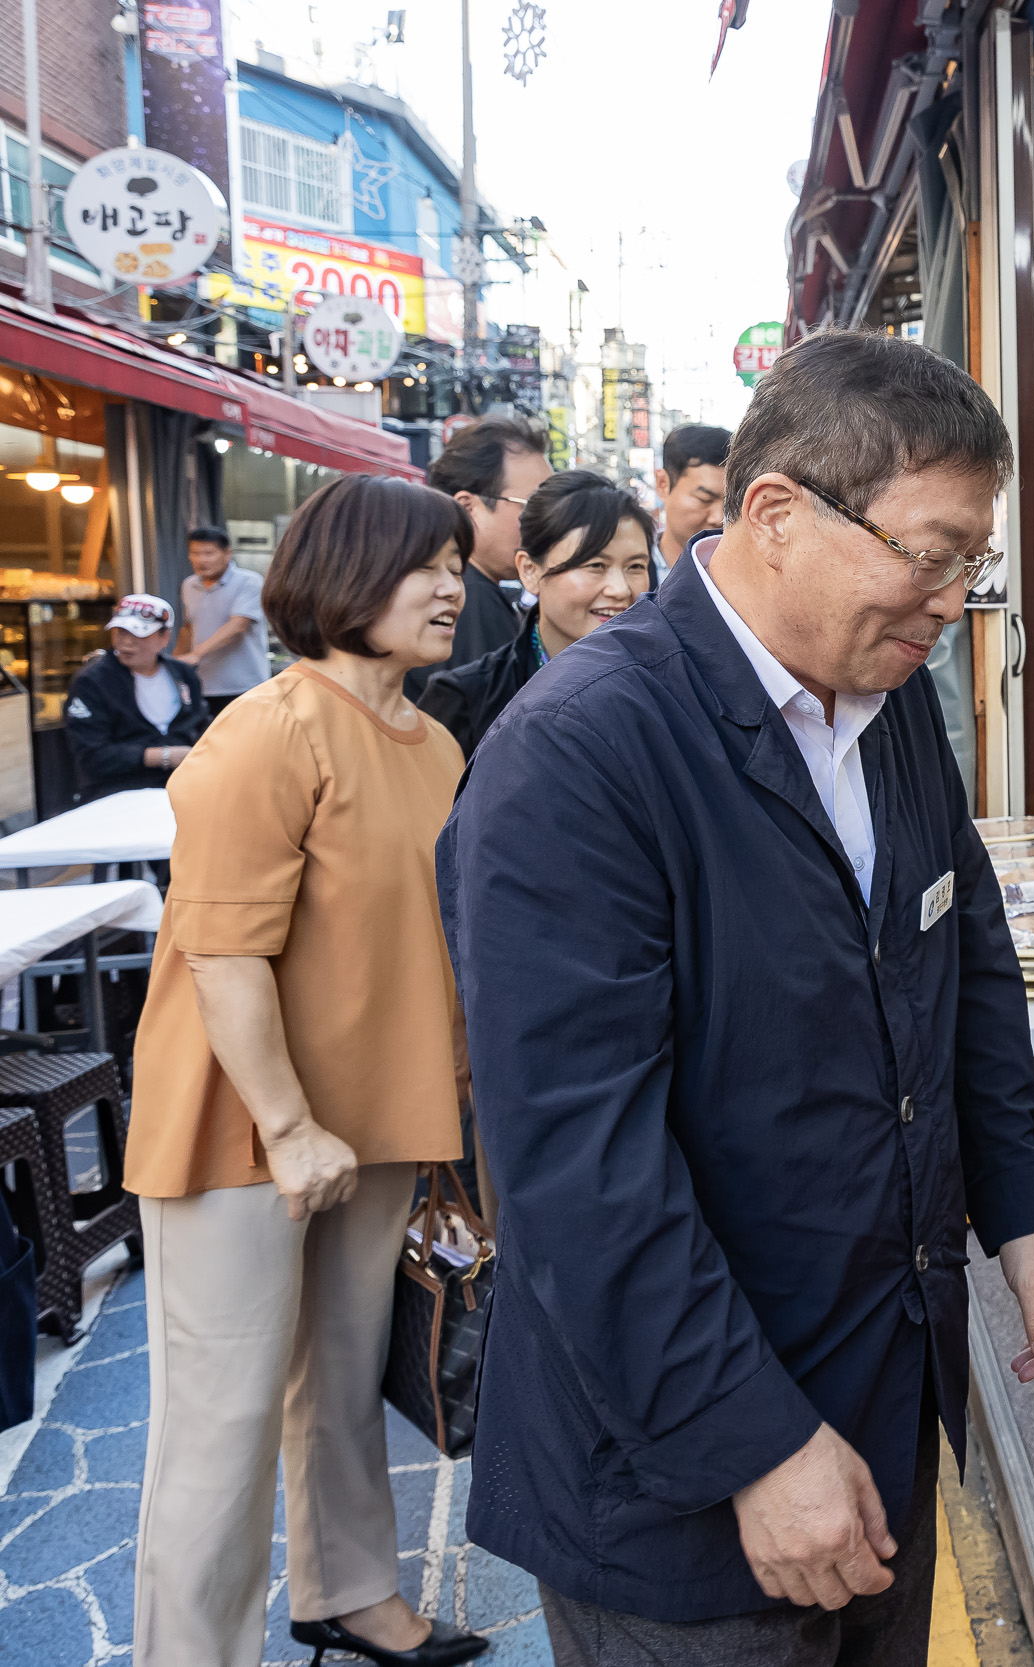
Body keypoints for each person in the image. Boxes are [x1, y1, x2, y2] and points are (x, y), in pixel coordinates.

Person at [440, 329, 1034, 1665]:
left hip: (877, 1391)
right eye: (930, 551)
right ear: (777, 514)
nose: (953, 596)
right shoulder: (577, 757)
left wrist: (1017, 1209)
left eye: (974, 562)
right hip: (686, 1481)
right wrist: (752, 1439)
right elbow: (578, 1166)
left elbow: (958, 946)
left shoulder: (886, 690)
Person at [123, 475, 488, 1667]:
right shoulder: (267, 728)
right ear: (341, 580)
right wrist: (287, 1124)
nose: (450, 585)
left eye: (453, 560)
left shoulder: (431, 741)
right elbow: (222, 950)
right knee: (217, 1424)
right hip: (248, 1129)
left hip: (373, 1118)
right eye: (420, 564)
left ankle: (351, 1589)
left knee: (339, 1379)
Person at [418, 470, 656, 755]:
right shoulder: (468, 699)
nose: (620, 589)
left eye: (636, 567)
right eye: (595, 565)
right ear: (529, 571)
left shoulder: (670, 689)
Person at [410, 414, 554, 694]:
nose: (548, 522)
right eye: (533, 506)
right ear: (466, 508)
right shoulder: (467, 599)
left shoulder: (448, 588)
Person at [63, 593, 209, 802]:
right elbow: (91, 755)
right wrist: (164, 756)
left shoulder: (183, 674)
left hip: (185, 787)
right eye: (121, 632)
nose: (126, 642)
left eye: (139, 634)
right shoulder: (92, 681)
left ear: (164, 637)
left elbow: (202, 726)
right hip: (118, 794)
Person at [171, 526, 272, 714]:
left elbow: (238, 626)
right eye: (195, 553)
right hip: (203, 685)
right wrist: (174, 663)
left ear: (227, 553)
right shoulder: (189, 585)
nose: (202, 560)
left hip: (244, 685)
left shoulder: (249, 582)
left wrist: (197, 654)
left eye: (209, 553)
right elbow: (189, 627)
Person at [652, 422, 732, 583]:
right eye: (705, 499)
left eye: (731, 503)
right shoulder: (632, 577)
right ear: (663, 484)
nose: (719, 518)